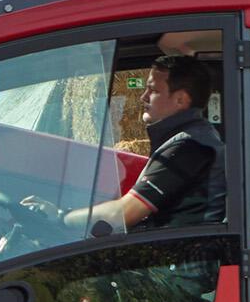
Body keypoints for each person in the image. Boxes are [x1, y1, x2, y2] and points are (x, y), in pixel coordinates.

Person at [79, 52, 225, 236]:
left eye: (153, 90)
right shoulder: (193, 137)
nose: (143, 97)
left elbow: (124, 213)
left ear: (180, 99)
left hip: (184, 258)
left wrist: (61, 216)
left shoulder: (189, 146)